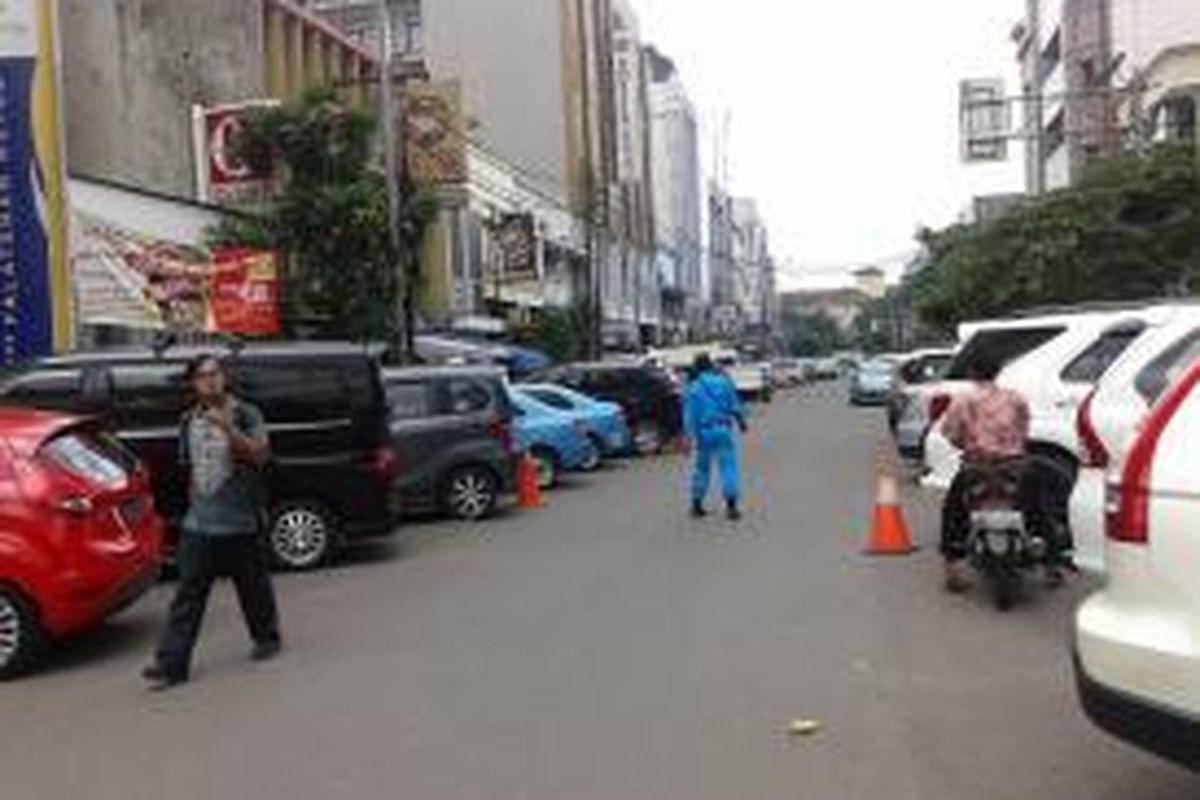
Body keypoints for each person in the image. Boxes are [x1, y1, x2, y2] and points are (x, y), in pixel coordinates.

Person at [143, 355, 281, 690]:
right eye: (203, 376)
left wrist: (228, 428)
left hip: (241, 523)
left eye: (215, 374)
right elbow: (189, 468)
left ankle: (266, 637)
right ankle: (171, 664)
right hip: (199, 526)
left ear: (224, 378)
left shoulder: (246, 413)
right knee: (187, 598)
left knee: (254, 589)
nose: (210, 381)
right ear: (195, 383)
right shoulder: (187, 419)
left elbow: (261, 455)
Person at [938, 354, 1049, 592]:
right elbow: (1024, 429)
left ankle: (952, 566)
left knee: (952, 511)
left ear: (972, 373)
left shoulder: (962, 400)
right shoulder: (1015, 398)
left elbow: (950, 433)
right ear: (998, 371)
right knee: (1038, 506)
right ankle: (1053, 562)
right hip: (1015, 465)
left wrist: (965, 444)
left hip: (977, 466)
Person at [683, 353, 748, 521]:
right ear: (710, 365)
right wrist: (741, 422)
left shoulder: (693, 387)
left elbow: (689, 416)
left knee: (702, 469)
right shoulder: (724, 382)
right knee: (728, 467)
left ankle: (697, 505)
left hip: (704, 433)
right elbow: (735, 405)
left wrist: (688, 438)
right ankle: (732, 507)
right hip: (723, 429)